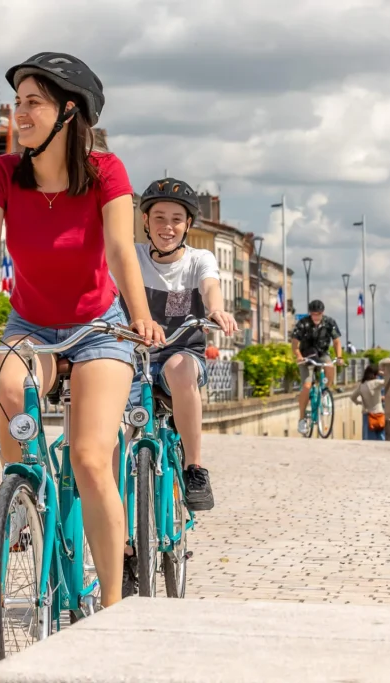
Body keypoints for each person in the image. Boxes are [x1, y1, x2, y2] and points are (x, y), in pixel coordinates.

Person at [0, 52, 164, 609]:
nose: (18, 114)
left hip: (99, 329)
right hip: (31, 325)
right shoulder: (3, 173)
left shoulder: (106, 172)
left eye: (33, 104)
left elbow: (122, 249)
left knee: (92, 458)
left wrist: (140, 314)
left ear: (69, 113)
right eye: (16, 103)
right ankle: (26, 495)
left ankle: (115, 611)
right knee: (6, 386)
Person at [125, 176, 236, 514]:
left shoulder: (198, 260)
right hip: (134, 357)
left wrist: (215, 307)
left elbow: (210, 286)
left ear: (188, 224)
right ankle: (125, 539)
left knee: (180, 368)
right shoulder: (132, 257)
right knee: (118, 443)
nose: (167, 227)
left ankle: (194, 469)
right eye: (159, 217)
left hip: (181, 352)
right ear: (145, 221)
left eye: (176, 219)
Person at [290, 299, 343, 434]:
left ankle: (325, 393)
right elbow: (295, 344)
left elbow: (336, 341)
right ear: (310, 313)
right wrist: (298, 356)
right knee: (307, 386)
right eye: (313, 314)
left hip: (322, 352)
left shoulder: (329, 323)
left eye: (318, 314)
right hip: (306, 355)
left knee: (330, 367)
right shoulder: (303, 324)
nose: (316, 317)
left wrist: (339, 357)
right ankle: (302, 419)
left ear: (322, 313)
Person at [352, 364, 386, 440]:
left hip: (367, 415)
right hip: (379, 414)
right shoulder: (376, 383)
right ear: (375, 374)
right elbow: (387, 380)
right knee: (381, 438)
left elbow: (352, 397)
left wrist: (360, 403)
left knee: (368, 439)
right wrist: (382, 373)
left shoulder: (361, 385)